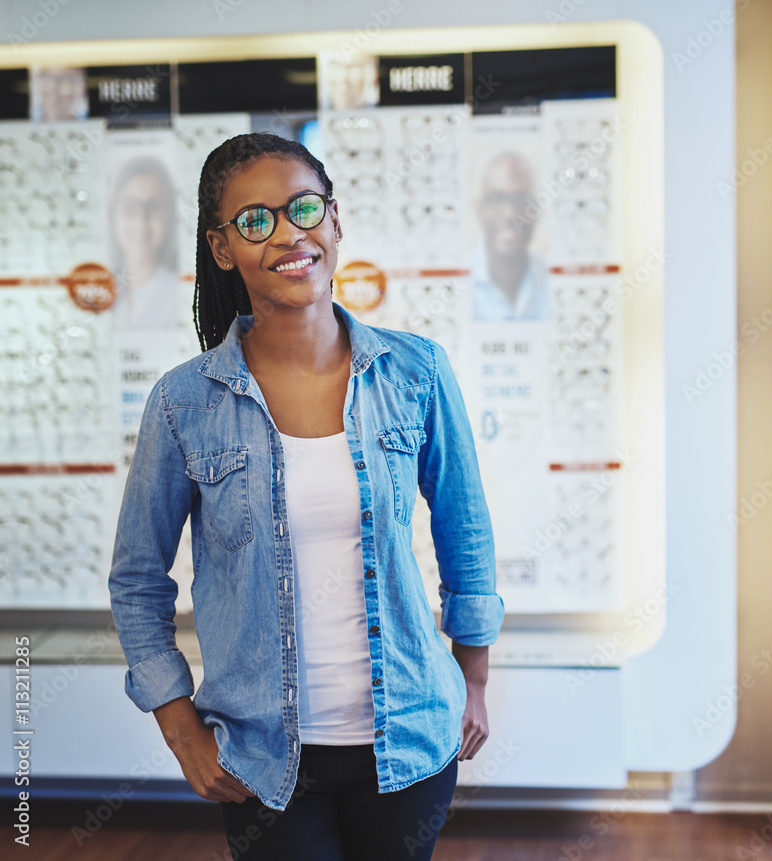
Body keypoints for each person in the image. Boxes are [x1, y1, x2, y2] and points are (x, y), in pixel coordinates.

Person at [108, 132, 503, 860]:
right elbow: (136, 581)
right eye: (256, 221)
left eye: (303, 208)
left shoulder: (415, 372)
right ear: (223, 248)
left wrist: (473, 678)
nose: (288, 233)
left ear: (335, 219)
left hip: (409, 740)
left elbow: (465, 534)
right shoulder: (182, 402)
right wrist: (180, 725)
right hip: (261, 758)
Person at [472, 151, 549, 321]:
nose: (509, 213)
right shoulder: (456, 280)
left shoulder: (556, 279)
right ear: (480, 209)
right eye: (496, 199)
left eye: (521, 199)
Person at [108, 155, 179, 328]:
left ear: (169, 217)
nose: (141, 221)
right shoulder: (105, 294)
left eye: (153, 207)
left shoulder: (179, 294)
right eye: (130, 205)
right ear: (112, 214)